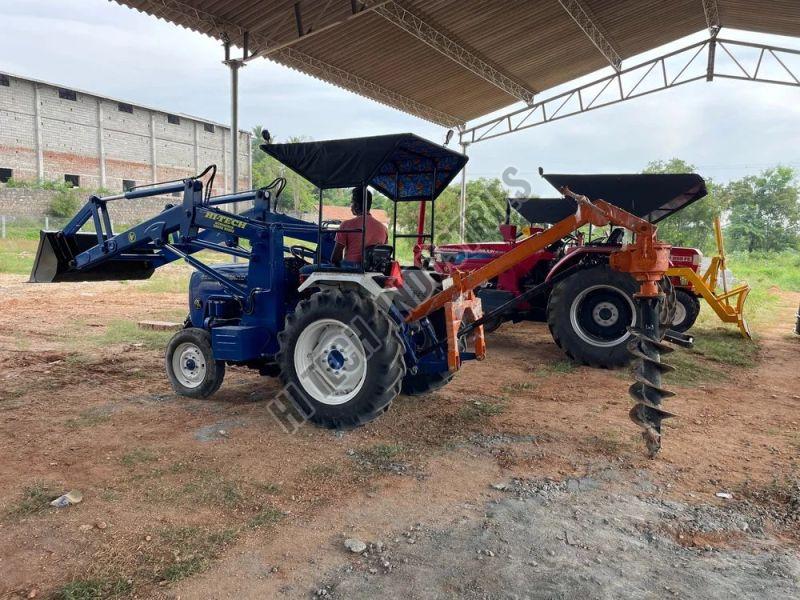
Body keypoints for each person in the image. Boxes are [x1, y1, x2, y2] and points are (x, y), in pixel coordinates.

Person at [331, 186, 388, 266]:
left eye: (352, 202)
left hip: (350, 269)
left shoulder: (346, 225)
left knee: (307, 269)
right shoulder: (383, 228)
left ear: (356, 205)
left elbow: (335, 258)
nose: (351, 206)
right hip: (372, 270)